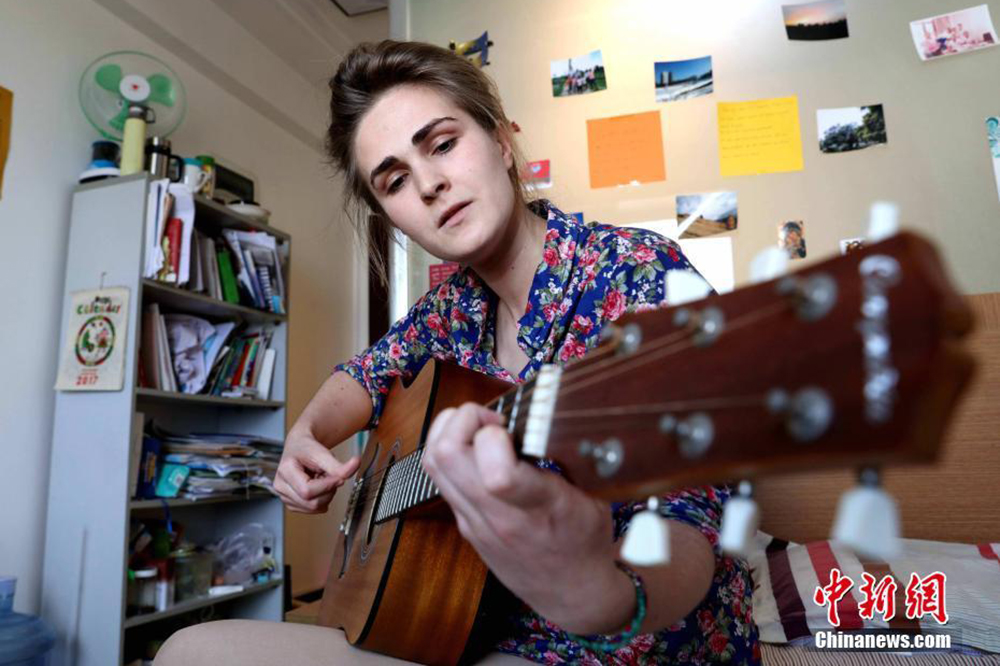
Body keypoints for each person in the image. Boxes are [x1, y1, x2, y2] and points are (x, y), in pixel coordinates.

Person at [155, 39, 758, 665]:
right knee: (189, 650)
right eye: (394, 181)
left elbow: (693, 514)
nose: (429, 185)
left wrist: (604, 595)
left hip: (632, 648)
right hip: (468, 628)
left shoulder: (636, 271)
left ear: (500, 140)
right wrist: (305, 433)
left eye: (442, 144)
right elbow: (363, 375)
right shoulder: (450, 309)